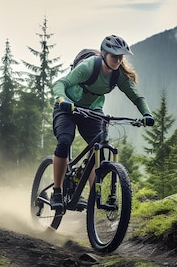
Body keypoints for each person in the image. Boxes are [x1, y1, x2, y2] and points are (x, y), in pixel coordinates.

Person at [50, 34, 154, 211]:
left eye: (121, 57)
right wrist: (62, 100)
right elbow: (61, 83)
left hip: (91, 110)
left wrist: (147, 114)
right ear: (103, 54)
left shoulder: (118, 75)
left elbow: (136, 97)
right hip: (68, 106)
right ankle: (57, 191)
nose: (118, 60)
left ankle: (93, 196)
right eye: (114, 56)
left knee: (97, 150)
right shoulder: (89, 67)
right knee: (65, 141)